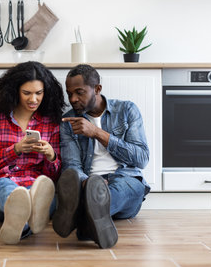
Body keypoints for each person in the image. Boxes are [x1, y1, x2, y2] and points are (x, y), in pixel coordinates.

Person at [53, 64, 151, 249]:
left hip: (125, 179)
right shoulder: (68, 122)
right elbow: (71, 165)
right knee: (78, 182)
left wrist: (97, 133)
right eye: (69, 93)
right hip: (87, 183)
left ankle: (81, 216)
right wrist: (87, 182)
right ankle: (91, 216)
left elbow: (141, 158)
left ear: (97, 89)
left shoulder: (126, 110)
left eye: (79, 92)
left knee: (123, 187)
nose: (73, 99)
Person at [0, 61, 66, 245]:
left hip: (34, 186)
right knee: (7, 188)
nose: (33, 99)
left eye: (39, 93)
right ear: (15, 91)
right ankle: (27, 217)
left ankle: (20, 223)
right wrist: (15, 150)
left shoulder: (51, 123)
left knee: (43, 191)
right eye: (27, 93)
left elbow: (53, 176)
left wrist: (51, 156)